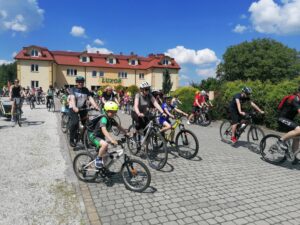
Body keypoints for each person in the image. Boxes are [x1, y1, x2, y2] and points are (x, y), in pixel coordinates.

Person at [88, 101, 130, 168]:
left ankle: (103, 168)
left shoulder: (111, 119)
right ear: (107, 111)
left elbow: (119, 126)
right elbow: (103, 129)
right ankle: (98, 159)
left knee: (106, 154)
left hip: (100, 137)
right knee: (105, 144)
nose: (114, 113)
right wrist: (112, 139)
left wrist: (126, 133)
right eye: (112, 112)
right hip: (93, 136)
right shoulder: (104, 118)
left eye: (115, 112)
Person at [68, 76, 100, 147]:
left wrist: (95, 106)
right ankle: (71, 139)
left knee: (88, 124)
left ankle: (85, 139)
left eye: (82, 82)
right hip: (73, 108)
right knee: (75, 122)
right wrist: (74, 107)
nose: (80, 83)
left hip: (82, 108)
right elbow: (72, 98)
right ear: (76, 82)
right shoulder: (73, 89)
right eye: (79, 82)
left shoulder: (85, 90)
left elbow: (90, 98)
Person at [277, 88, 300, 163]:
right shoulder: (295, 99)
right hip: (282, 118)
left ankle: (293, 157)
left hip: (289, 120)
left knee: (297, 138)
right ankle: (280, 141)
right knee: (299, 129)